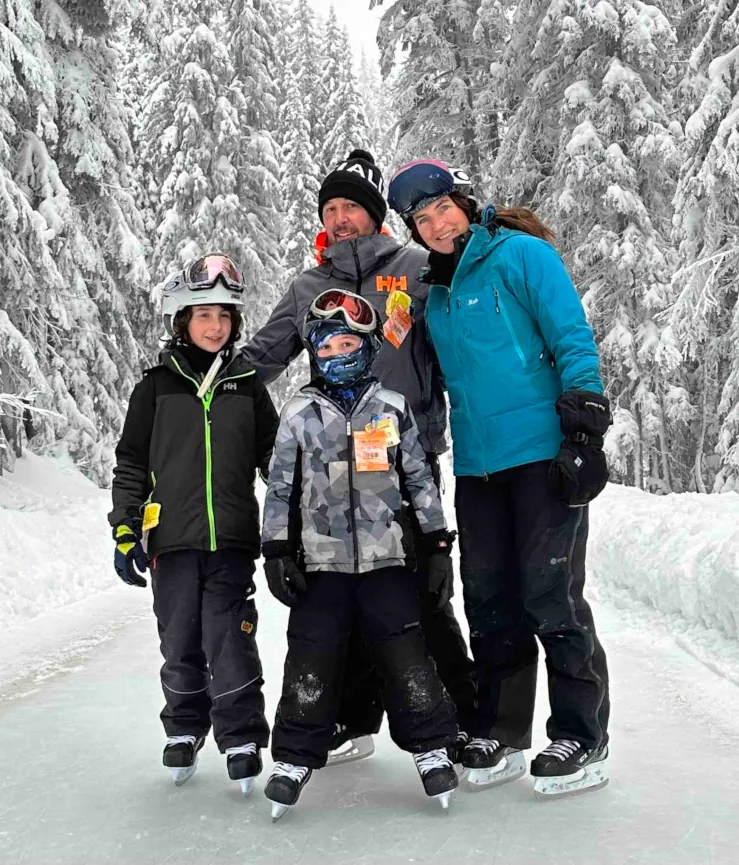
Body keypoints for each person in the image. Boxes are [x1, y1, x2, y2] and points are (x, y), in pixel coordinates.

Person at [242, 148, 478, 765]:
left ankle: (463, 718)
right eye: (331, 207)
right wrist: (202, 371)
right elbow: (262, 360)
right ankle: (352, 718)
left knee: (418, 594)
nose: (341, 217)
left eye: (352, 206)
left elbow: (459, 342)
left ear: (375, 215)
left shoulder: (417, 267)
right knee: (341, 590)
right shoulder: (309, 287)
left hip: (408, 457)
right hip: (330, 470)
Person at [386, 159, 612, 799]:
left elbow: (570, 334)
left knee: (552, 597)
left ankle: (581, 734)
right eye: (421, 221)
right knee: (489, 601)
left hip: (540, 452)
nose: (434, 226)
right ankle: (503, 730)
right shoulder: (434, 293)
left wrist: (585, 425)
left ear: (464, 200)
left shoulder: (520, 256)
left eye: (441, 210)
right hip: (476, 465)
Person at [261, 290, 460, 821]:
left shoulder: (391, 409)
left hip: (387, 561)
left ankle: (431, 746)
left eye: (348, 341)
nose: (337, 353)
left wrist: (438, 544)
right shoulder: (299, 413)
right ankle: (294, 758)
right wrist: (276, 548)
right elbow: (280, 487)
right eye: (326, 345)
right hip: (320, 564)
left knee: (406, 654)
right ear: (314, 353)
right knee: (312, 654)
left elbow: (418, 479)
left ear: (368, 347)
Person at [108, 254, 278, 797]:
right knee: (179, 639)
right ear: (182, 320)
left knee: (229, 637)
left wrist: (296, 518)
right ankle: (184, 729)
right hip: (172, 542)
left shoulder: (247, 385)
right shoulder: (156, 387)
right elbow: (131, 462)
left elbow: (274, 458)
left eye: (225, 316)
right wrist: (125, 528)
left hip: (230, 539)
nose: (216, 326)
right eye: (204, 314)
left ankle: (242, 736)